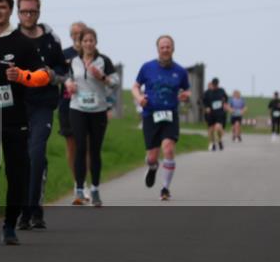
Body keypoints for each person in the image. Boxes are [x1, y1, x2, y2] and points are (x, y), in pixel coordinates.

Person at [0, 0, 51, 245]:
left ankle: (10, 225)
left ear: (11, 11)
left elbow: (44, 76)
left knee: (17, 173)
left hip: (15, 115)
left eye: (2, 7)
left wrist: (22, 76)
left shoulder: (22, 43)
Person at [16, 0, 67, 230]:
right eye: (24, 11)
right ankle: (23, 209)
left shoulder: (50, 40)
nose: (28, 16)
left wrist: (51, 74)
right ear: (18, 13)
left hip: (43, 105)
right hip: (17, 105)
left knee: (36, 154)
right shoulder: (11, 39)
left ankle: (32, 211)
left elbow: (64, 71)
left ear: (39, 12)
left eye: (32, 12)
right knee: (21, 158)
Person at [64, 27, 120, 207]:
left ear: (96, 42)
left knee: (95, 150)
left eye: (91, 40)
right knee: (80, 147)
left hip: (98, 110)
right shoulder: (74, 61)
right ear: (80, 43)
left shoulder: (104, 61)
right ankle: (79, 190)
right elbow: (68, 78)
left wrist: (102, 77)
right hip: (77, 108)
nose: (88, 44)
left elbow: (115, 83)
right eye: (85, 41)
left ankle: (95, 189)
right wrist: (69, 84)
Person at [131, 35, 191, 201]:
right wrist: (139, 98)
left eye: (168, 47)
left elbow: (187, 89)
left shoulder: (180, 71)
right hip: (150, 114)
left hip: (170, 114)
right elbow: (135, 86)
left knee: (169, 149)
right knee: (152, 156)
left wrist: (185, 95)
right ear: (158, 49)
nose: (165, 49)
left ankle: (165, 188)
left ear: (173, 49)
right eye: (162, 47)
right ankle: (152, 167)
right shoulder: (147, 67)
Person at [58, 21, 86, 203]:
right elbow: (57, 74)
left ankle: (87, 183)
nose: (77, 35)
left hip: (88, 106)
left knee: (87, 145)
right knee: (72, 145)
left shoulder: (92, 53)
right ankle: (77, 184)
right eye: (74, 32)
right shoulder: (64, 54)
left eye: (80, 32)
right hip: (67, 103)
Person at [202, 77, 229, 151]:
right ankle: (212, 143)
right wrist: (206, 107)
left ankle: (219, 140)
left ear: (218, 84)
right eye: (213, 85)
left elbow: (226, 98)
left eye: (215, 85)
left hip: (219, 113)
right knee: (210, 129)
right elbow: (203, 102)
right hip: (210, 113)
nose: (214, 86)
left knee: (218, 127)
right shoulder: (207, 92)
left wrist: (225, 104)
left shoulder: (221, 91)